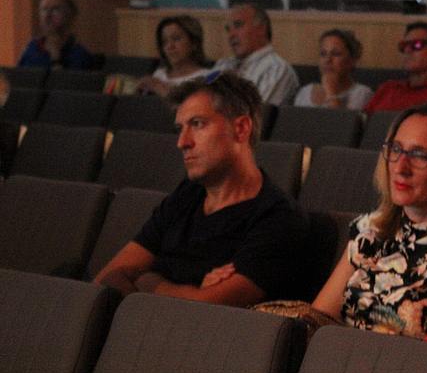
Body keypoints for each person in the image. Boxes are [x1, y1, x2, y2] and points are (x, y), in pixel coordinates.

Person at [94, 72, 309, 307]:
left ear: (241, 128)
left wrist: (146, 280)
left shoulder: (278, 218)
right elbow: (106, 280)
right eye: (180, 128)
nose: (182, 142)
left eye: (197, 124)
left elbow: (203, 310)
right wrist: (185, 291)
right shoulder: (187, 194)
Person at [311, 103, 427, 338]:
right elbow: (318, 320)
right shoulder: (371, 228)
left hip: (410, 362)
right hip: (344, 356)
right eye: (396, 149)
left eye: (420, 155)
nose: (401, 167)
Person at [364, 22, 427, 113]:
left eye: (417, 45)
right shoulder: (388, 88)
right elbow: (362, 122)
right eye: (403, 46)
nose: (407, 50)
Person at [214, 3, 299, 105]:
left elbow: (256, 111)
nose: (231, 35)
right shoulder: (223, 64)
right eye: (228, 30)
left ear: (261, 29)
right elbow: (201, 96)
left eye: (238, 25)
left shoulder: (276, 69)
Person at [293, 29, 373, 110]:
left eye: (336, 54)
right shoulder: (305, 91)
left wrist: (331, 94)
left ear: (352, 60)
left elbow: (341, 119)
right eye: (323, 54)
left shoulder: (362, 93)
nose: (327, 60)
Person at [137, 15, 212, 97]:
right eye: (164, 41)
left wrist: (162, 90)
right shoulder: (159, 74)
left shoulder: (206, 77)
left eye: (176, 39)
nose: (170, 46)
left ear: (194, 43)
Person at [18, 0, 93, 69]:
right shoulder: (32, 48)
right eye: (44, 9)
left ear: (70, 15)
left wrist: (56, 58)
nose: (47, 15)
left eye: (55, 9)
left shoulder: (79, 55)